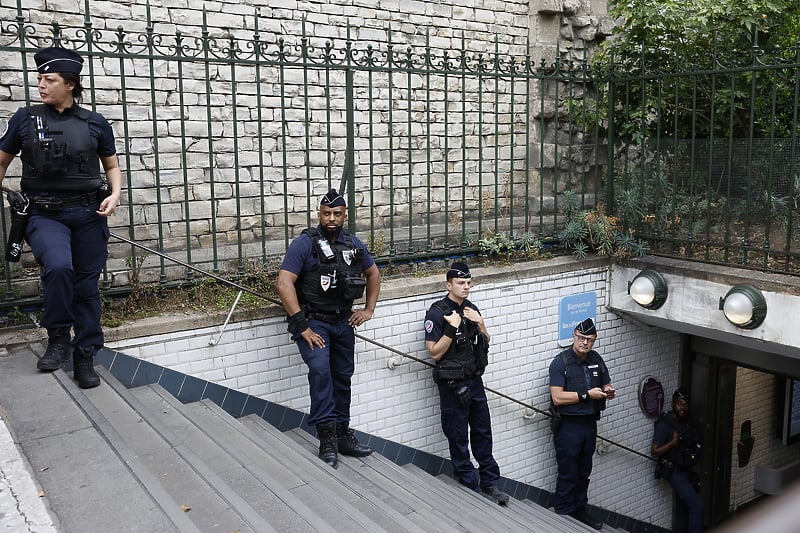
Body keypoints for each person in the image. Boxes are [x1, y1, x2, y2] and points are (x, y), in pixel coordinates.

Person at [0, 46, 122, 388]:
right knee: (57, 267)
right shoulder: (24, 119)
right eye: (39, 78)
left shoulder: (95, 123)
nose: (41, 84)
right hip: (44, 214)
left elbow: (112, 166)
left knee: (86, 287)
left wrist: (114, 194)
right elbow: (2, 161)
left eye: (49, 79)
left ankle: (85, 354)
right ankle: (58, 338)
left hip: (88, 214)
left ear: (70, 84)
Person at [276, 188, 380, 468]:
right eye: (326, 213)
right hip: (315, 323)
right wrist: (301, 325)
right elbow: (284, 283)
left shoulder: (353, 244)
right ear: (319, 214)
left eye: (337, 214)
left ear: (345, 215)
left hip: (343, 322)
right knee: (321, 372)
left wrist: (368, 310)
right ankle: (327, 439)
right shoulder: (305, 244)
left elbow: (373, 273)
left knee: (342, 377)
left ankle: (342, 434)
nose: (331, 218)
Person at [423, 261, 510, 506]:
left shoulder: (471, 309)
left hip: (475, 381)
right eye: (460, 283)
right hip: (453, 385)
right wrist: (451, 329)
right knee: (458, 435)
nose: (466, 287)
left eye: (469, 283)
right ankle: (469, 483)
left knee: (483, 432)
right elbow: (434, 353)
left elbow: (486, 340)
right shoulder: (437, 312)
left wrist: (480, 323)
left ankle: (490, 483)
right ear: (448, 285)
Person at [548, 318, 615, 530]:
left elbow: (605, 382)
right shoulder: (561, 363)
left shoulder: (596, 359)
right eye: (581, 338)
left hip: (589, 423)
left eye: (590, 340)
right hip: (569, 424)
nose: (585, 343)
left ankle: (579, 508)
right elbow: (557, 397)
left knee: (584, 470)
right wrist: (586, 395)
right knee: (568, 469)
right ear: (574, 336)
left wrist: (608, 391)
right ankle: (563, 511)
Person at [651, 387, 704, 533]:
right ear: (673, 404)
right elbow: (654, 452)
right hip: (674, 471)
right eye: (680, 404)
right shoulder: (664, 425)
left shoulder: (685, 422)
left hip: (686, 470)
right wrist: (673, 442)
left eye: (686, 404)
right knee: (697, 506)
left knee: (682, 508)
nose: (683, 408)